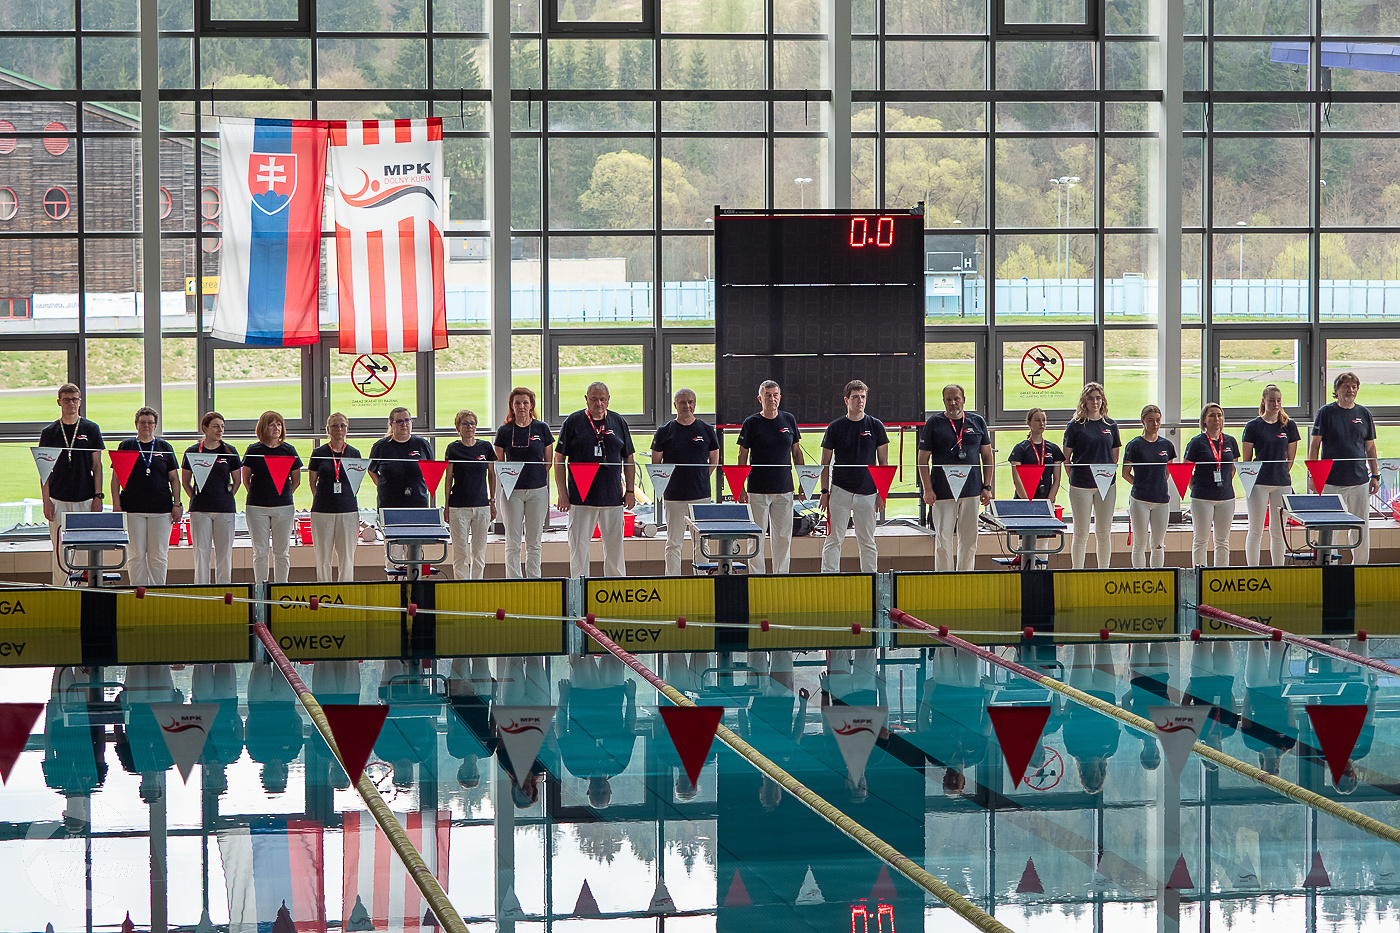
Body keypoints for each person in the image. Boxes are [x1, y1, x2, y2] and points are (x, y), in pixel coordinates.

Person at [554, 381, 636, 579]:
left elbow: (629, 459)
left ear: (608, 400)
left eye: (602, 399)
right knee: (578, 549)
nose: (598, 403)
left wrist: (630, 491)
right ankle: (578, 592)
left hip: (613, 498)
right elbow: (558, 459)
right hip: (581, 498)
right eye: (594, 399)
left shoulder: (618, 421)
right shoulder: (572, 422)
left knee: (615, 551)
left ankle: (615, 591)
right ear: (586, 399)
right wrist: (562, 493)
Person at [917, 384, 993, 572]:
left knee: (969, 540)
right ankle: (944, 579)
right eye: (948, 399)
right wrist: (927, 489)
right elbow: (922, 459)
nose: (953, 403)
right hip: (942, 492)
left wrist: (987, 486)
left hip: (972, 490)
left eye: (956, 398)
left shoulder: (977, 421)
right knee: (943, 540)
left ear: (964, 400)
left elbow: (987, 456)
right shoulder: (934, 424)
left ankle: (965, 577)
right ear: (943, 401)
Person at [1308, 371, 1379, 565]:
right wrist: (1313, 476)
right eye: (1346, 386)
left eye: (1354, 387)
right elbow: (1315, 446)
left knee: (1360, 528)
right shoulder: (1326, 412)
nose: (1351, 390)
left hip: (1359, 481)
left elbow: (1370, 446)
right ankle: (1330, 567)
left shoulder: (1364, 414)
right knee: (1331, 529)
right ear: (1337, 390)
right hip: (1332, 481)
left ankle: (1360, 567)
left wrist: (1375, 475)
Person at [819, 380, 889, 573]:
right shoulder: (835, 427)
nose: (860, 401)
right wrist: (824, 491)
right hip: (840, 492)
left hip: (867, 493)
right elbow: (825, 463)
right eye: (855, 397)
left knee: (867, 541)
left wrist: (882, 494)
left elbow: (883, 463)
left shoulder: (876, 426)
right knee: (834, 538)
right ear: (846, 400)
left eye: (863, 397)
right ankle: (829, 577)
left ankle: (870, 579)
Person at [736, 380, 805, 575]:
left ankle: (780, 575)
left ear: (780, 398)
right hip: (757, 490)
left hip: (784, 489)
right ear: (760, 398)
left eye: (775, 395)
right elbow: (742, 456)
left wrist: (803, 481)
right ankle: (757, 576)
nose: (772, 398)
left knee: (783, 537)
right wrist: (739, 486)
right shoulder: (751, 423)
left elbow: (797, 453)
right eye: (768, 395)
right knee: (755, 537)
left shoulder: (789, 420)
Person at [649, 387, 720, 576]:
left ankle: (702, 578)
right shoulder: (664, 431)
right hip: (674, 497)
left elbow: (714, 461)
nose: (687, 406)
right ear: (675, 405)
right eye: (682, 402)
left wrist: (700, 478)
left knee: (701, 543)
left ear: (695, 404)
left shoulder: (706, 430)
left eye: (690, 402)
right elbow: (656, 463)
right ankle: (672, 580)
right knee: (673, 543)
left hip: (701, 496)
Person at [39, 383, 105, 584]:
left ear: (80, 402)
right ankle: (61, 590)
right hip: (58, 499)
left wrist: (97, 496)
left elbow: (97, 466)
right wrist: (46, 501)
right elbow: (44, 471)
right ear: (59, 402)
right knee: (60, 550)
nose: (71, 403)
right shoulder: (49, 432)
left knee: (85, 548)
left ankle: (85, 590)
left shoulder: (91, 429)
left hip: (85, 499)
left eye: (75, 399)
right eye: (66, 399)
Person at [111, 407, 181, 586]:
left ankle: (157, 592)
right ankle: (138, 591)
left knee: (158, 555)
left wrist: (177, 504)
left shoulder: (164, 447)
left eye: (150, 422)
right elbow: (116, 479)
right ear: (136, 424)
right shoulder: (126, 446)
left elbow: (174, 478)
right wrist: (116, 505)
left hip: (161, 510)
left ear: (155, 425)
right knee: (136, 554)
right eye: (143, 422)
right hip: (133, 509)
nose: (146, 426)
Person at [494, 387, 554, 579]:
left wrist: (533, 476)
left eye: (525, 403)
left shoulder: (541, 428)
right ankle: (514, 579)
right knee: (512, 540)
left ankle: (533, 578)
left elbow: (548, 461)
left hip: (538, 490)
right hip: (513, 492)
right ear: (512, 406)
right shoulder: (504, 431)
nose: (521, 406)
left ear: (531, 405)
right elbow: (498, 462)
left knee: (534, 540)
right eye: (517, 403)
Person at [1062, 382, 1121, 569]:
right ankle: (1077, 570)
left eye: (1098, 398)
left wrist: (1106, 475)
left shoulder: (1111, 425)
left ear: (1102, 401)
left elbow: (1114, 455)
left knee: (1104, 532)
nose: (1095, 402)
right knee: (1081, 532)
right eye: (1090, 398)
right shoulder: (1075, 426)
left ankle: (1103, 569)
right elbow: (1066, 458)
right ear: (1084, 401)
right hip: (1081, 486)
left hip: (1106, 485)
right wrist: (1076, 478)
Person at [241, 410, 302, 584]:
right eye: (271, 424)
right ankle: (261, 589)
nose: (276, 428)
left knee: (282, 552)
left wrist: (281, 496)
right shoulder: (254, 450)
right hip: (257, 507)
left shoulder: (289, 450)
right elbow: (246, 479)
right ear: (263, 427)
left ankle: (280, 587)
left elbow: (296, 480)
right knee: (260, 551)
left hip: (283, 507)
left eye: (279, 424)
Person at [1242, 384, 1299, 566]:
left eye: (1279, 400)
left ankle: (1278, 569)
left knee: (1278, 530)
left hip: (1281, 482)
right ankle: (1253, 569)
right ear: (1263, 401)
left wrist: (1280, 473)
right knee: (1256, 529)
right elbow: (1247, 460)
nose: (1276, 404)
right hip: (1258, 483)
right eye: (1272, 400)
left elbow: (1290, 458)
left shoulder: (1288, 426)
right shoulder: (1253, 426)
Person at [182, 412, 241, 585]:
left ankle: (224, 589)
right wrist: (195, 498)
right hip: (200, 510)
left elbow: (237, 480)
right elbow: (185, 481)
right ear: (205, 428)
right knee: (201, 552)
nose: (220, 430)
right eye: (216, 426)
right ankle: (202, 588)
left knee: (224, 553)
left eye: (222, 426)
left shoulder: (229, 451)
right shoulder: (192, 451)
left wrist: (226, 496)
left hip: (225, 510)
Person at [307, 412, 362, 583]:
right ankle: (324, 587)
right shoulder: (318, 453)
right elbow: (312, 483)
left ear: (347, 428)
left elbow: (356, 483)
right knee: (323, 556)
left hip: (348, 510)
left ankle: (346, 588)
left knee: (347, 556)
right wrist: (324, 500)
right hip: (322, 511)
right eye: (335, 426)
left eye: (342, 425)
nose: (339, 429)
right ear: (327, 429)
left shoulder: (354, 453)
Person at [1008, 407, 1065, 568]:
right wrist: (1026, 501)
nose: (1042, 423)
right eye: (1038, 420)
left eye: (1044, 420)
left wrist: (1049, 499)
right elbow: (1016, 478)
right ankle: (1024, 572)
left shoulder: (1053, 449)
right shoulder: (1021, 448)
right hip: (1025, 502)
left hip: (1045, 502)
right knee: (1024, 541)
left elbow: (1057, 478)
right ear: (1029, 423)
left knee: (1043, 542)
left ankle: (1041, 572)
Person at [1184, 402, 1240, 567]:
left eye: (1219, 415)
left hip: (1226, 497)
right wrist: (1195, 487)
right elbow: (1186, 470)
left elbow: (1233, 466)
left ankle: (1220, 575)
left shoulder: (1230, 441)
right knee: (1201, 539)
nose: (1216, 418)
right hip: (1202, 497)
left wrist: (1225, 482)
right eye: (1212, 415)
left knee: (1222, 540)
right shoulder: (1197, 443)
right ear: (1204, 421)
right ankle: (1199, 574)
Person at [1122, 404, 1176, 569]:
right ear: (1143, 421)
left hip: (1161, 500)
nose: (1155, 424)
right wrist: (1140, 485)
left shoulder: (1166, 445)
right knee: (1140, 542)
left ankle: (1158, 576)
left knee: (1158, 543)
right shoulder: (1135, 445)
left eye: (1158, 420)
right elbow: (1125, 473)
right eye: (1151, 421)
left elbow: (1168, 470)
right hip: (1140, 500)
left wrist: (1157, 484)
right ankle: (1139, 576)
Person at [444, 409, 496, 580]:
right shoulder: (453, 448)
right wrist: (447, 505)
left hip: (482, 506)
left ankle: (476, 583)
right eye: (465, 424)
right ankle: (461, 584)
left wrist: (492, 501)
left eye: (472, 423)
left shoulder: (485, 447)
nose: (470, 427)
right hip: (458, 507)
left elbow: (492, 475)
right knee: (460, 552)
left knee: (479, 552)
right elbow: (448, 478)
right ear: (458, 427)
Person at [368, 406, 434, 509]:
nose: (404, 424)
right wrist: (382, 486)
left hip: (418, 502)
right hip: (389, 503)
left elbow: (432, 469)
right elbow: (371, 470)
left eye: (407, 420)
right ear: (391, 425)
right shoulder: (380, 447)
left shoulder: (422, 444)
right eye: (399, 421)